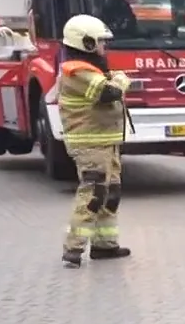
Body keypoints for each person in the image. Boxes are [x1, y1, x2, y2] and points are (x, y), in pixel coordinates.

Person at [54, 14, 133, 268]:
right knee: (94, 194)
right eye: (100, 41)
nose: (104, 46)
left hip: (105, 142)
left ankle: (104, 245)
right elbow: (109, 92)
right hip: (90, 145)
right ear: (86, 43)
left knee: (111, 194)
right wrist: (121, 79)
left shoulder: (92, 69)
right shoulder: (76, 71)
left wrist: (114, 77)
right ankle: (73, 249)